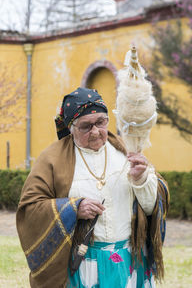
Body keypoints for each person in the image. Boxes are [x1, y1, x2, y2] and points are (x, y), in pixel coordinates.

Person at [17, 87, 169, 288]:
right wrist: (73, 208)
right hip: (80, 265)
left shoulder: (126, 152)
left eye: (101, 122)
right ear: (71, 128)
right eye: (85, 126)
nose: (96, 131)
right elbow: (29, 209)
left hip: (128, 262)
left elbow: (151, 209)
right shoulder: (51, 159)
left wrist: (141, 180)